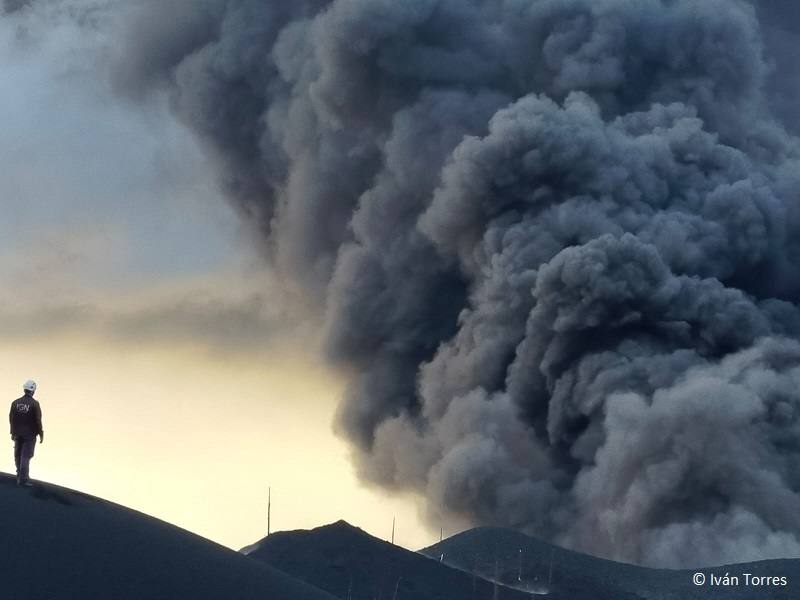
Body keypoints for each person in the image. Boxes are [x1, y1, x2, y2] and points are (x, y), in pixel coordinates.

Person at [9, 380, 44, 487]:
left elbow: (11, 418)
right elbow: (38, 420)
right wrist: (41, 433)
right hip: (30, 435)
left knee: (17, 454)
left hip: (17, 433)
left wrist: (12, 431)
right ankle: (23, 479)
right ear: (33, 391)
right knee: (25, 456)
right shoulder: (35, 404)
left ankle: (19, 473)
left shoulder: (15, 403)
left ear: (24, 389)